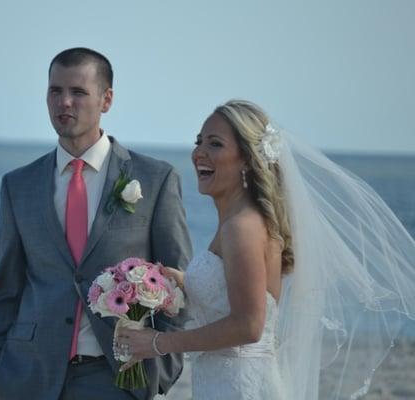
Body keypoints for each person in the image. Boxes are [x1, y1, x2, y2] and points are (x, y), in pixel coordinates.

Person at [117, 100, 415, 399]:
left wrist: (158, 343)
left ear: (247, 159)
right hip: (225, 382)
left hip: (238, 387)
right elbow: (235, 296)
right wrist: (181, 282)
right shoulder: (242, 222)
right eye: (199, 141)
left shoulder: (242, 228)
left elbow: (248, 326)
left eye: (215, 144)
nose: (199, 153)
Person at [0, 47, 192, 400]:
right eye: (55, 91)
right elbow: (5, 289)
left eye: (78, 92)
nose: (64, 102)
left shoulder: (155, 180)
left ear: (106, 99)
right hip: (29, 375)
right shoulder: (18, 185)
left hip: (116, 377)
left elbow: (179, 286)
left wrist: (160, 367)